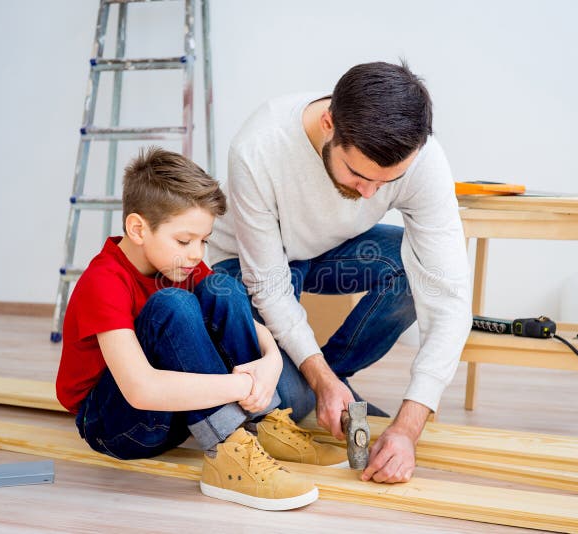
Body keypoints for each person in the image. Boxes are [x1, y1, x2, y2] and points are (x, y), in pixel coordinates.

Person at [209, 61, 472, 484]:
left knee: (409, 270)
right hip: (247, 266)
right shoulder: (259, 147)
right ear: (329, 123)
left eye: (387, 182)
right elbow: (270, 286)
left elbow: (450, 296)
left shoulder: (423, 160)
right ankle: (318, 388)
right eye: (358, 174)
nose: (369, 193)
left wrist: (408, 426)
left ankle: (335, 383)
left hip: (327, 252)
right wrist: (316, 381)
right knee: (288, 398)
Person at [55, 147, 346, 511]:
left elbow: (257, 330)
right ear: (137, 228)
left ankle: (263, 425)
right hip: (118, 426)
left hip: (181, 411)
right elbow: (141, 390)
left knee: (221, 287)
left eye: (203, 241)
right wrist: (245, 385)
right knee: (172, 305)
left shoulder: (181, 265)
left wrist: (270, 365)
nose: (196, 253)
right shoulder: (104, 281)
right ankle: (228, 451)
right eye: (184, 240)